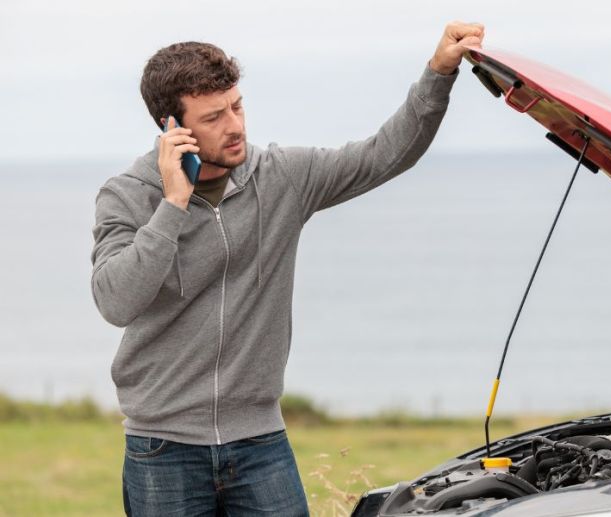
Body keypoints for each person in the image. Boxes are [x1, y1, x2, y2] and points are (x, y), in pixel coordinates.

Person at [90, 21, 485, 516]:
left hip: (259, 442)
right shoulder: (127, 195)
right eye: (213, 117)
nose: (234, 125)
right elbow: (115, 300)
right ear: (173, 128)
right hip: (162, 448)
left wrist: (438, 74)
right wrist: (172, 204)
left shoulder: (281, 177)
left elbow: (385, 154)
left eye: (236, 106)